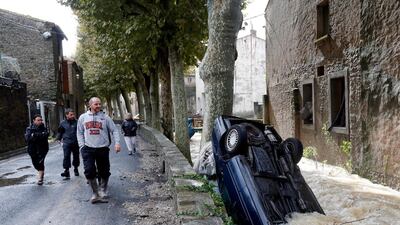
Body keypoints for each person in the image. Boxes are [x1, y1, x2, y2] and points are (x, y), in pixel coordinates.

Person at [77, 97, 121, 204]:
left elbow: (114, 130)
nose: (98, 106)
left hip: (102, 148)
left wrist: (117, 143)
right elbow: (79, 132)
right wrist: (81, 146)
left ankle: (102, 190)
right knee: (89, 170)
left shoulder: (105, 118)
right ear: (90, 105)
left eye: (99, 104)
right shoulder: (83, 117)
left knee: (104, 171)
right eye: (96, 104)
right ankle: (95, 193)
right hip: (88, 148)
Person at [24, 114, 49, 185]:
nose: (40, 121)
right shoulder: (29, 129)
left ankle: (40, 178)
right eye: (38, 120)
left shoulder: (44, 128)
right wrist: (38, 135)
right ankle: (41, 172)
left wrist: (35, 135)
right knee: (35, 164)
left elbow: (45, 136)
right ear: (34, 121)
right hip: (32, 150)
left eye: (41, 120)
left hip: (42, 149)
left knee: (41, 162)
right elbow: (28, 138)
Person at [56, 108, 80, 179]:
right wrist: (58, 139)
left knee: (76, 156)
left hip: (76, 142)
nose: (73, 116)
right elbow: (60, 132)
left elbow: (81, 131)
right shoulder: (62, 123)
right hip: (66, 142)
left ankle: (76, 168)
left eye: (73, 114)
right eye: (71, 115)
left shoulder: (77, 122)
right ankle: (66, 171)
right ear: (67, 115)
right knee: (66, 156)